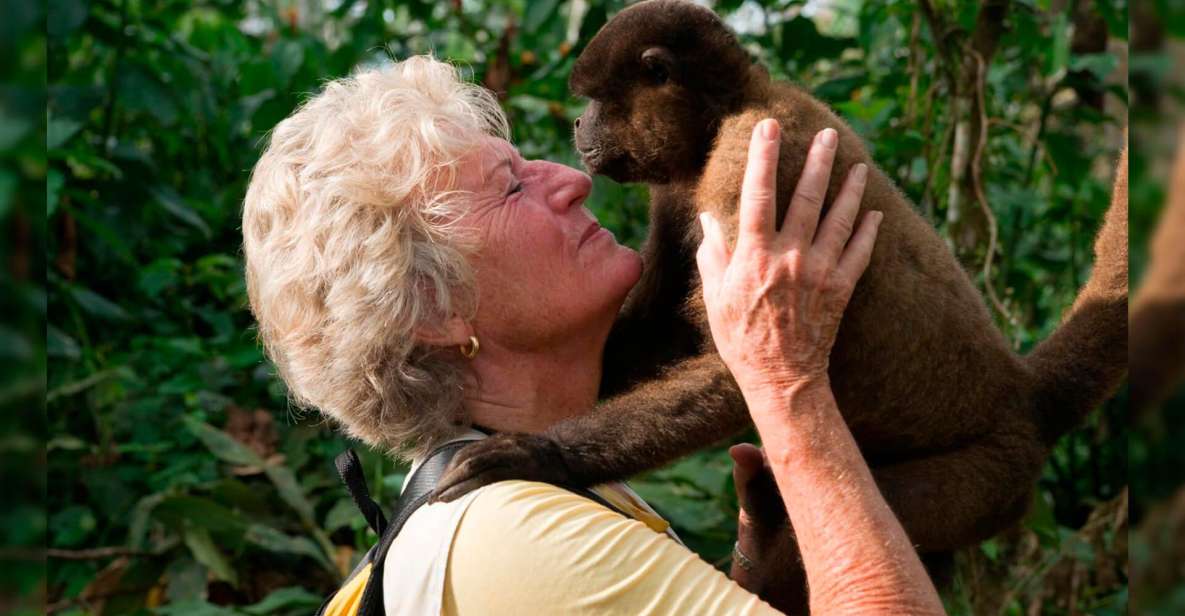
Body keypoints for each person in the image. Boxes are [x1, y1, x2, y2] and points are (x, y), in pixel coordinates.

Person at [241, 55, 943, 614]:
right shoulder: (510, 535)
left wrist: (763, 576)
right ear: (435, 308)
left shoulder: (539, 498)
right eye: (511, 187)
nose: (572, 180)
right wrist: (785, 380)